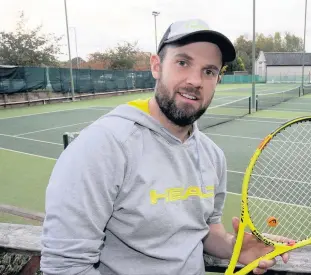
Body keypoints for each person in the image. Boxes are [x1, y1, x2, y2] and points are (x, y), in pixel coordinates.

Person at [40, 19, 289, 275]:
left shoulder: (212, 156)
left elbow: (206, 230)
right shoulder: (102, 146)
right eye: (183, 63)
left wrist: (234, 246)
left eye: (209, 71)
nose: (195, 80)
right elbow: (65, 267)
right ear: (156, 66)